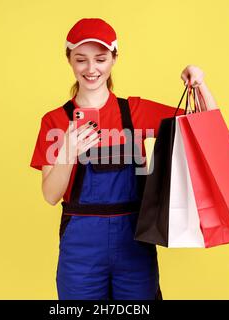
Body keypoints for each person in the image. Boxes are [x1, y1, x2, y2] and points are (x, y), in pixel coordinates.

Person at [30, 18, 218, 300]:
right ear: (68, 59)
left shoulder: (135, 112)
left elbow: (205, 127)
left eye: (101, 59)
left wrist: (200, 84)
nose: (91, 69)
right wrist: (68, 150)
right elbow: (50, 195)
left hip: (134, 243)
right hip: (80, 250)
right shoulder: (55, 121)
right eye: (81, 59)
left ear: (114, 58)